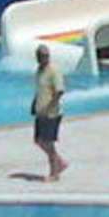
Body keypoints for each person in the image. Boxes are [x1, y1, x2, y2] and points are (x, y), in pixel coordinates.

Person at [31, 44, 68, 182]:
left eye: (46, 56)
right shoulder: (39, 71)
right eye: (41, 56)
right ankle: (60, 162)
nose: (43, 58)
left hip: (51, 113)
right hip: (40, 112)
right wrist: (34, 103)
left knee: (48, 142)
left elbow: (59, 91)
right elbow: (40, 90)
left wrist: (50, 106)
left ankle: (54, 173)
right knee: (38, 141)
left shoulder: (53, 71)